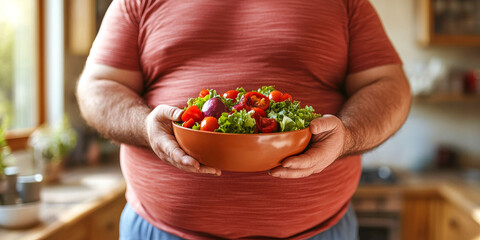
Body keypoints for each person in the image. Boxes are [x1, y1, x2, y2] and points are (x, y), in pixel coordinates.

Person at [76, 0, 411, 239]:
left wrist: (349, 136)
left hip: (318, 233)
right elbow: (99, 87)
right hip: (159, 231)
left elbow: (389, 85)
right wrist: (144, 126)